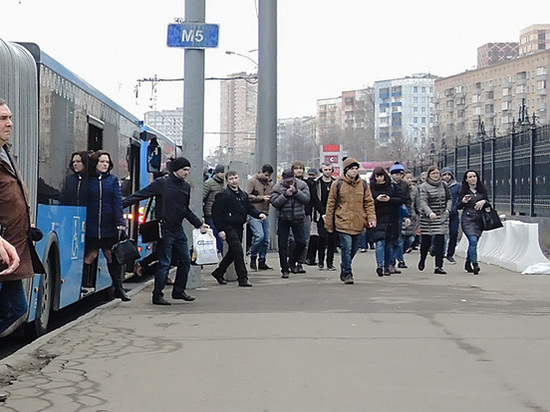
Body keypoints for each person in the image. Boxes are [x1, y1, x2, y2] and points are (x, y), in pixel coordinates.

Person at [123, 157, 208, 305]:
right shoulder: (162, 183)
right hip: (164, 228)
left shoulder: (185, 187)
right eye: (184, 170)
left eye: (188, 170)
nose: (187, 173)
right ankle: (157, 295)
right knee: (164, 262)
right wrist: (119, 206)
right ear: (176, 170)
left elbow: (184, 209)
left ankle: (178, 291)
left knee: (185, 260)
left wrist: (198, 224)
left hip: (177, 229)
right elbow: (140, 195)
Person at [0, 99, 45, 336]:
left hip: (12, 252)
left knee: (17, 308)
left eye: (10, 117)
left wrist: (27, 225)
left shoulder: (6, 153)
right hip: (2, 248)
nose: (10, 123)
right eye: (2, 119)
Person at [84, 150, 130, 301]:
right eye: (101, 161)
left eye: (107, 162)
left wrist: (120, 222)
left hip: (108, 224)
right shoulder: (87, 180)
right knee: (91, 255)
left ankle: (119, 288)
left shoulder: (112, 180)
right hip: (90, 224)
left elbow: (117, 202)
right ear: (95, 163)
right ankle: (83, 282)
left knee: (111, 256)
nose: (105, 164)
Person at [325, 157, 376, 284]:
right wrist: (329, 223)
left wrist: (371, 218)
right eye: (352, 169)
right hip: (343, 220)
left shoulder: (363, 185)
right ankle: (348, 273)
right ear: (346, 170)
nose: (354, 171)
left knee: (353, 249)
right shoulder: (337, 184)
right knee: (346, 248)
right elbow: (331, 204)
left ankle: (345, 265)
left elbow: (369, 202)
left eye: (356, 169)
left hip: (358, 221)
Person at [211, 171, 267, 286]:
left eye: (236, 178)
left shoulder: (243, 195)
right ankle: (243, 278)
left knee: (233, 252)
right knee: (238, 251)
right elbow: (216, 213)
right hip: (228, 226)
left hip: (239, 226)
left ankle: (219, 272)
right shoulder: (223, 194)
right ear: (227, 181)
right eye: (231, 179)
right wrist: (220, 230)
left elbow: (250, 208)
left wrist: (259, 214)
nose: (234, 180)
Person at [270, 168, 310, 278]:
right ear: (283, 179)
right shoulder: (277, 187)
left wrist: (296, 192)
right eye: (287, 181)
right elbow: (275, 202)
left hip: (298, 218)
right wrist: (285, 195)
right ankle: (284, 269)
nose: (289, 183)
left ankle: (292, 261)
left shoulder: (302, 185)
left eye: (291, 181)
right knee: (282, 245)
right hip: (283, 218)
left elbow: (307, 199)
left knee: (302, 242)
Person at [369, 167, 405, 277]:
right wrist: (377, 200)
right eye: (377, 176)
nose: (379, 179)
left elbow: (402, 199)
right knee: (380, 242)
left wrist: (389, 199)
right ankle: (380, 265)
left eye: (381, 176)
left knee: (390, 244)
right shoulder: (371, 188)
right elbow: (367, 203)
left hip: (391, 218)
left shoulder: (393, 187)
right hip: (378, 218)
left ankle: (387, 266)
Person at [417, 165, 451, 275]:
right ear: (428, 175)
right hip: (428, 217)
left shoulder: (444, 185)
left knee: (440, 241)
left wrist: (447, 210)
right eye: (433, 174)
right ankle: (422, 259)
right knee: (426, 241)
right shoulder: (424, 186)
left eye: (437, 173)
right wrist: (429, 212)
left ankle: (439, 266)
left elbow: (449, 198)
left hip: (441, 216)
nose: (436, 176)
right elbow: (422, 202)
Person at [457, 169, 488, 275]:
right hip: (468, 219)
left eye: (474, 176)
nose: (472, 178)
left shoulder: (482, 190)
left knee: (474, 243)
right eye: (470, 177)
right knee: (473, 241)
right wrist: (463, 201)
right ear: (466, 180)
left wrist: (483, 201)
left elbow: (488, 203)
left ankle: (467, 262)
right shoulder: (463, 191)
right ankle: (475, 264)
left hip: (479, 219)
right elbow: (458, 206)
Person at [247, 163, 274, 271]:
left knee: (266, 239)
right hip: (255, 212)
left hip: (265, 212)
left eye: (269, 176)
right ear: (261, 172)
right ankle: (253, 257)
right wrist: (261, 198)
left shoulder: (270, 184)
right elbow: (247, 196)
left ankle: (262, 260)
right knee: (259, 236)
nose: (267, 178)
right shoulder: (252, 181)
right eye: (266, 175)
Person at [313, 162, 338, 270]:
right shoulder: (317, 183)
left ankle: (330, 262)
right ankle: (321, 261)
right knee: (322, 238)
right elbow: (315, 199)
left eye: (329, 169)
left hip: (333, 214)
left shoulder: (336, 183)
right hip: (321, 214)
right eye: (325, 169)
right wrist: (323, 213)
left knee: (332, 239)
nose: (327, 171)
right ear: (321, 170)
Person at [389, 162, 411, 271]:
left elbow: (407, 200)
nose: (398, 176)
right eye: (396, 174)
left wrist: (408, 216)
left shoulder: (404, 185)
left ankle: (393, 262)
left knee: (399, 240)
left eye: (400, 174)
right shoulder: (388, 183)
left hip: (400, 214)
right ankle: (390, 263)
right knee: (391, 241)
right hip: (389, 215)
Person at [203, 164, 225, 257]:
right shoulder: (209, 183)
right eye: (221, 172)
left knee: (221, 235)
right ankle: (217, 252)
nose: (223, 174)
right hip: (210, 213)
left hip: (222, 214)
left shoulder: (225, 183)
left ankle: (220, 252)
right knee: (215, 234)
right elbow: (203, 197)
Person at [441, 167, 460, 264]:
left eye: (449, 174)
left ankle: (450, 254)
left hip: (453, 213)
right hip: (440, 213)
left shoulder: (457, 186)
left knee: (453, 233)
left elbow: (459, 198)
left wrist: (456, 207)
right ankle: (437, 250)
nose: (447, 177)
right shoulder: (439, 186)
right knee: (440, 234)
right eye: (444, 175)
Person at [305, 168, 320, 266]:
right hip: (309, 213)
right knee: (309, 237)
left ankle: (310, 257)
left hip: (314, 213)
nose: (311, 177)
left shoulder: (315, 185)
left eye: (313, 175)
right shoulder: (313, 185)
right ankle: (309, 257)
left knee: (313, 237)